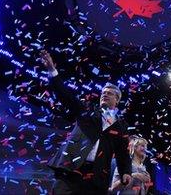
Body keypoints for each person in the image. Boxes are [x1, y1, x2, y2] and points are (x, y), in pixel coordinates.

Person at [40, 50, 132, 194]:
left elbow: (122, 151)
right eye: (103, 93)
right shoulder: (87, 110)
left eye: (109, 93)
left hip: (96, 177)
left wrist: (125, 171)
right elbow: (66, 97)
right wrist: (52, 71)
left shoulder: (121, 126)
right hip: (70, 169)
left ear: (117, 100)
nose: (105, 95)